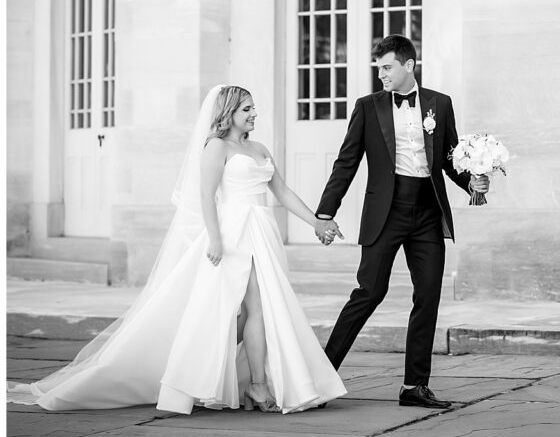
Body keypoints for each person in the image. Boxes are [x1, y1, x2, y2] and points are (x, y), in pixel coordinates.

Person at [8, 85, 346, 414]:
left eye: (254, 107)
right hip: (233, 234)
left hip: (262, 232)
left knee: (253, 310)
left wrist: (317, 221)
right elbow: (205, 196)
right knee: (253, 307)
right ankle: (252, 383)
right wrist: (215, 238)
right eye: (247, 108)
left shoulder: (260, 149)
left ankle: (223, 374)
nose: (254, 113)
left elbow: (282, 192)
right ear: (228, 114)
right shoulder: (216, 147)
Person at [314, 34, 489, 409]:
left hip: (428, 211)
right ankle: (321, 377)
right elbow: (347, 162)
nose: (381, 75)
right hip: (385, 213)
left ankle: (415, 386)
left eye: (387, 67)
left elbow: (448, 158)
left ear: (409, 65)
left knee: (427, 297)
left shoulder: (440, 104)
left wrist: (472, 181)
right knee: (368, 293)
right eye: (378, 69)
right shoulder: (368, 107)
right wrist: (325, 212)